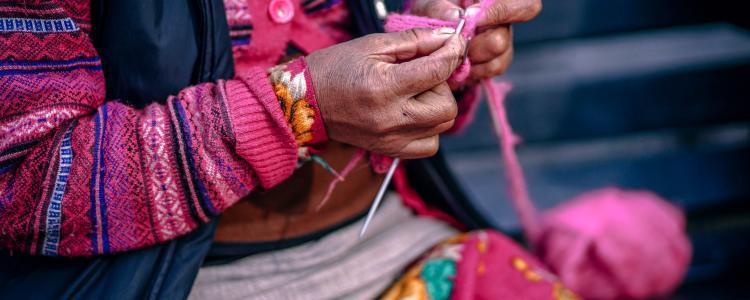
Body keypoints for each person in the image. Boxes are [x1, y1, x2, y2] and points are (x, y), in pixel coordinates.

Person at [0, 0, 562, 299]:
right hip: (184, 279)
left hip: (390, 236)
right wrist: (299, 106)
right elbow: (27, 188)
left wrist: (437, 51)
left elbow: (396, 111)